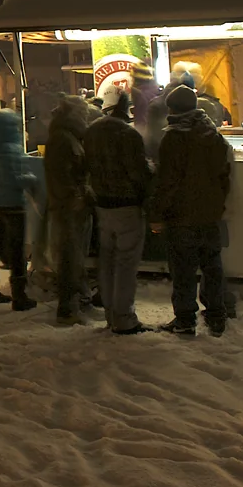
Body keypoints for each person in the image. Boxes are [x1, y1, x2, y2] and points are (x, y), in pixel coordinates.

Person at [152, 83, 234, 337]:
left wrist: (156, 214)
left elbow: (167, 182)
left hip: (182, 216)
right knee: (212, 266)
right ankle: (216, 315)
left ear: (172, 109)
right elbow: (224, 176)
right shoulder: (213, 135)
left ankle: (185, 320)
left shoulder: (173, 138)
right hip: (210, 213)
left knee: (184, 269)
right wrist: (218, 204)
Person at [84, 85, 152, 335]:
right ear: (127, 110)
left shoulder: (90, 132)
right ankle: (124, 317)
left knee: (108, 261)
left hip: (102, 204)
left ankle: (111, 314)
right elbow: (137, 173)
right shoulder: (128, 135)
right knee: (125, 264)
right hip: (126, 206)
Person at [0, 107, 37, 310]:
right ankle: (19, 295)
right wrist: (31, 179)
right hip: (13, 204)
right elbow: (15, 179)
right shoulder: (12, 149)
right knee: (17, 248)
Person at [44, 95, 94, 326]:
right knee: (69, 258)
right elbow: (61, 175)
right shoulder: (63, 139)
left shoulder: (71, 136)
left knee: (75, 257)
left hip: (73, 206)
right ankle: (67, 309)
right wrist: (75, 195)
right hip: (67, 208)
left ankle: (78, 302)